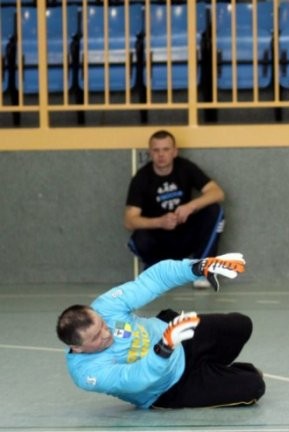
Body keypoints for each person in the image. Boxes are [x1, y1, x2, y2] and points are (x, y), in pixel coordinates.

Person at [56, 253, 266, 409]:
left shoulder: (105, 306)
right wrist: (164, 347)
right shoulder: (86, 373)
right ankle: (221, 372)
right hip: (169, 387)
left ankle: (214, 369)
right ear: (78, 347)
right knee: (254, 386)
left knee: (242, 325)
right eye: (96, 337)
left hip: (175, 333)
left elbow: (153, 280)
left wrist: (198, 267)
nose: (106, 333)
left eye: (102, 324)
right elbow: (133, 379)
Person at [125, 130, 226, 288]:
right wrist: (160, 222)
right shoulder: (141, 178)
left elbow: (217, 193)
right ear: (150, 153)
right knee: (138, 238)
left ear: (174, 151)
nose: (161, 155)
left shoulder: (185, 167)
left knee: (215, 211)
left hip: (184, 233)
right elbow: (129, 220)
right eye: (156, 150)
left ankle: (202, 270)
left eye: (166, 149)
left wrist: (191, 206)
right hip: (158, 238)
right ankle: (155, 269)